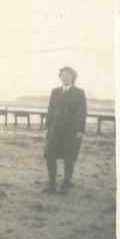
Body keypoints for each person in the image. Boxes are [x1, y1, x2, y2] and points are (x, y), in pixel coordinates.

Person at [42, 66, 87, 195]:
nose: (64, 77)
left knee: (69, 158)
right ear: (60, 77)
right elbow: (50, 110)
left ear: (73, 77)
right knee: (50, 156)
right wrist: (46, 127)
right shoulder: (55, 91)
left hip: (71, 131)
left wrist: (80, 130)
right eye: (62, 75)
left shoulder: (79, 93)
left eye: (67, 75)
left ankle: (65, 186)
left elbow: (82, 113)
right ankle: (51, 185)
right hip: (55, 130)